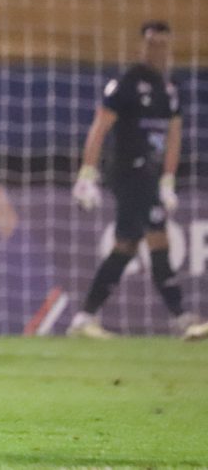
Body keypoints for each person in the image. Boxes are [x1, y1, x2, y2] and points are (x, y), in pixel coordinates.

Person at [68, 20, 200, 339]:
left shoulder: (170, 89)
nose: (157, 50)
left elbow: (174, 136)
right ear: (141, 46)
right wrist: (87, 174)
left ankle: (85, 317)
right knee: (158, 238)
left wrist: (168, 180)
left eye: (162, 44)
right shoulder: (127, 83)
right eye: (151, 43)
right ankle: (181, 316)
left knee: (126, 245)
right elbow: (99, 128)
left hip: (150, 176)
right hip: (127, 172)